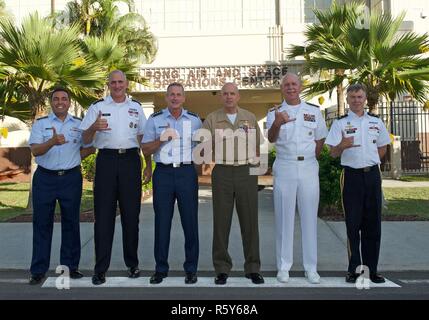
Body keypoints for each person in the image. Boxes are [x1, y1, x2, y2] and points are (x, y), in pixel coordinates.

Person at [80, 70, 152, 285]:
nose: (118, 85)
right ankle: (100, 269)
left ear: (126, 84)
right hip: (106, 162)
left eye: (121, 82)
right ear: (108, 84)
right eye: (114, 82)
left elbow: (143, 139)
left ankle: (133, 264)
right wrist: (94, 127)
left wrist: (148, 165)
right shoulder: (97, 107)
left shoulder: (136, 107)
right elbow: (84, 138)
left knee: (131, 216)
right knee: (103, 217)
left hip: (130, 161)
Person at [28, 87, 95, 285]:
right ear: (51, 102)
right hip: (45, 179)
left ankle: (70, 268)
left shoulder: (78, 124)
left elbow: (86, 149)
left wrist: (75, 156)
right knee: (42, 224)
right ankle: (38, 270)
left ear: (68, 102)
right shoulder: (41, 124)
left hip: (70, 178)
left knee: (71, 223)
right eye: (56, 99)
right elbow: (35, 151)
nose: (60, 102)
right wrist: (52, 142)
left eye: (64, 99)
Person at [325, 83, 390, 284]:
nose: (356, 100)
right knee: (353, 225)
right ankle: (354, 269)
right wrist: (342, 146)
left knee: (373, 225)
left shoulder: (376, 122)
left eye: (359, 97)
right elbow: (332, 153)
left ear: (364, 99)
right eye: (352, 97)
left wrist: (369, 162)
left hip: (372, 177)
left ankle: (372, 269)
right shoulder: (340, 124)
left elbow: (382, 148)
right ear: (347, 100)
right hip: (351, 177)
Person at [267, 73, 328, 284]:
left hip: (308, 167)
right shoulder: (274, 112)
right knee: (284, 218)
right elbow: (271, 139)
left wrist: (310, 158)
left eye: (294, 84)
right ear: (281, 88)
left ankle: (310, 267)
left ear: (300, 87)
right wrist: (277, 123)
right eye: (286, 85)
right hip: (284, 166)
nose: (290, 87)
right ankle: (284, 267)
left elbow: (320, 139)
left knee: (310, 217)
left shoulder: (313, 111)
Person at [202, 82, 264, 285]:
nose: (229, 97)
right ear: (221, 97)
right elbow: (203, 147)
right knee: (221, 222)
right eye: (225, 94)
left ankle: (253, 268)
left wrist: (258, 175)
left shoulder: (250, 117)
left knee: (250, 222)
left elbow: (258, 149)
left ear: (238, 96)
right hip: (222, 172)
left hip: (246, 172)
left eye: (232, 93)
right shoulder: (212, 118)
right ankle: (221, 268)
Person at [141, 82, 201, 284]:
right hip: (164, 174)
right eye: (171, 95)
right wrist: (161, 139)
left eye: (178, 95)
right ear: (166, 98)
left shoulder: (194, 120)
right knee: (162, 222)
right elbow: (146, 149)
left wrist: (198, 170)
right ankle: (160, 268)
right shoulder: (155, 119)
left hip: (186, 173)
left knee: (190, 223)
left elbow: (202, 148)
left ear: (184, 98)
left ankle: (191, 269)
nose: (175, 98)